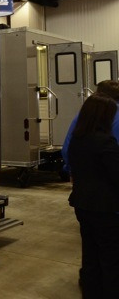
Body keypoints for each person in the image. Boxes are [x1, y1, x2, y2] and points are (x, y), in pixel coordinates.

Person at [68, 93, 119, 298]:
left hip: (82, 204)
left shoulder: (77, 140)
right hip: (104, 208)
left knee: (90, 255)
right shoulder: (105, 142)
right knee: (110, 258)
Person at [62, 80, 119, 174]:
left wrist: (70, 169)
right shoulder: (116, 114)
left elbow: (67, 147)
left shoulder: (84, 113)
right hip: (108, 173)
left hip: (81, 172)